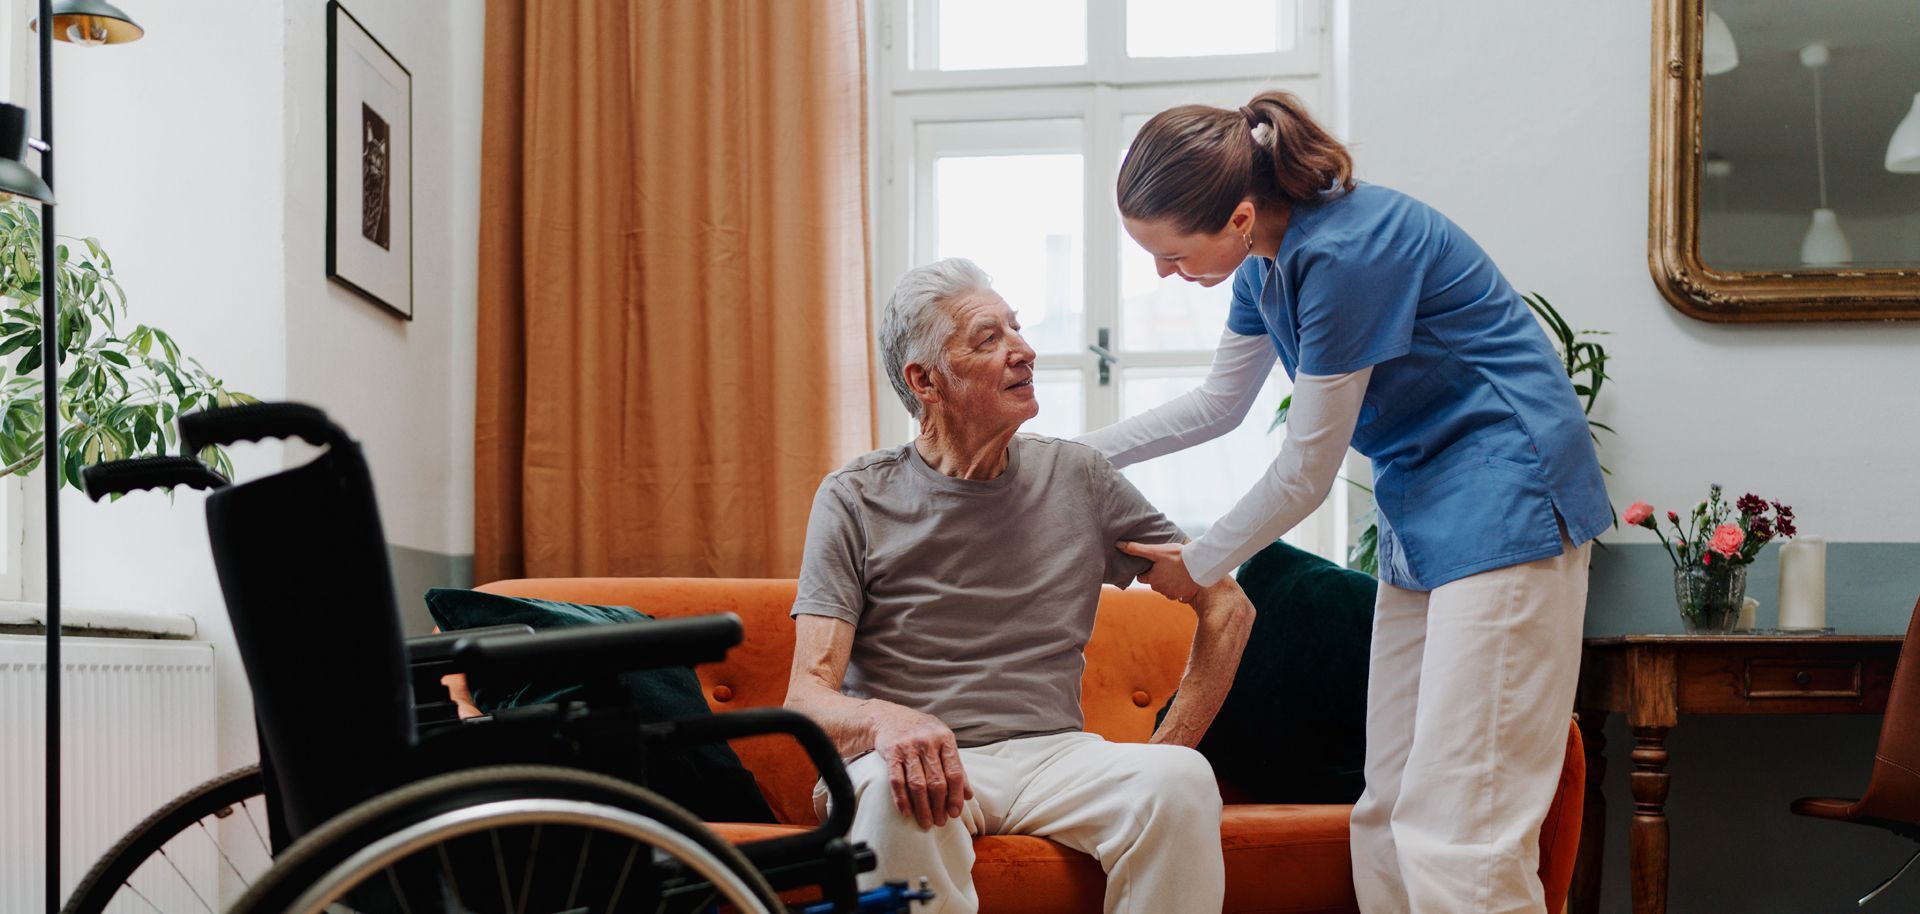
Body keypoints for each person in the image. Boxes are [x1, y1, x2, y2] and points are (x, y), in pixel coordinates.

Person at [1079, 90, 1610, 913]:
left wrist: (1203, 563)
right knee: (1389, 812)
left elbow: (1305, 470)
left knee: (1462, 825)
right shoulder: (1263, 260)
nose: (1163, 273)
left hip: (1509, 499)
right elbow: (1219, 405)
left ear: (1239, 215)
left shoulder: (1348, 253)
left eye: (1173, 255)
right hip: (1423, 504)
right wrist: (1072, 456)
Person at [784, 257, 1254, 914]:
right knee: (899, 792)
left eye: (1017, 329)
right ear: (926, 381)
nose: (1024, 351)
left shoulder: (1079, 479)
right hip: (913, 759)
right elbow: (807, 697)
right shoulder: (856, 498)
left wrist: (1168, 743)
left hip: (1054, 756)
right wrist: (886, 723)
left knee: (1178, 780)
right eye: (988, 338)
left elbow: (1225, 603)